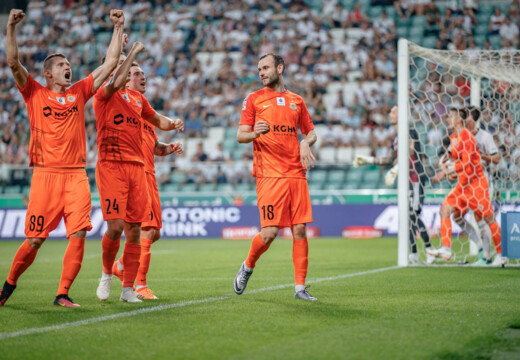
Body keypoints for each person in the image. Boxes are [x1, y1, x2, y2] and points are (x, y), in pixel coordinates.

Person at [0, 8, 125, 307]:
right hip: (45, 176)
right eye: (62, 65)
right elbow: (12, 61)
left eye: (69, 64)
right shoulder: (34, 93)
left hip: (76, 175)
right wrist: (10, 27)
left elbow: (109, 64)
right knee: (34, 240)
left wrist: (119, 27)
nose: (68, 67)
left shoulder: (79, 92)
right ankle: (9, 285)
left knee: (79, 232)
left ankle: (63, 293)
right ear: (48, 73)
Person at [93, 44, 184, 303]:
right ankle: (108, 275)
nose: (139, 75)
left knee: (138, 230)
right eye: (134, 71)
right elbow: (116, 80)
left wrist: (173, 123)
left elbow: (158, 122)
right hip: (112, 166)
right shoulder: (105, 93)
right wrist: (130, 53)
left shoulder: (138, 101)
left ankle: (128, 288)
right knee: (116, 227)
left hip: (139, 170)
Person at [233, 53, 318, 301]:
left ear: (280, 68)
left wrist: (305, 142)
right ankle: (248, 265)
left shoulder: (297, 101)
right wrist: (254, 134)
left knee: (300, 229)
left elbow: (312, 132)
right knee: (269, 233)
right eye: (259, 69)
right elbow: (240, 135)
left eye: (266, 67)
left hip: (295, 172)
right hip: (269, 174)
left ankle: (300, 288)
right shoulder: (254, 99)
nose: (261, 72)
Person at [354, 106, 435, 264]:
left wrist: (396, 169)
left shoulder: (410, 132)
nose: (390, 114)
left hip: (416, 179)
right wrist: (368, 160)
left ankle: (430, 249)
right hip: (405, 182)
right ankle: (413, 254)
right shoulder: (396, 138)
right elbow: (390, 159)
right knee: (407, 216)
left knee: (412, 214)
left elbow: (410, 152)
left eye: (393, 111)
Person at [429, 108, 504, 265]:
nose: (447, 119)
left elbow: (468, 163)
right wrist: (445, 166)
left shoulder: (468, 137)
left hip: (477, 185)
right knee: (445, 210)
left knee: (487, 219)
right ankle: (446, 248)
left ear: (457, 119)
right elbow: (453, 158)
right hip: (462, 185)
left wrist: (448, 171)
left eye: (450, 117)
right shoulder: (453, 137)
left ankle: (499, 254)